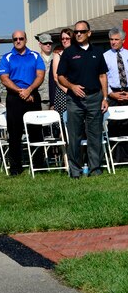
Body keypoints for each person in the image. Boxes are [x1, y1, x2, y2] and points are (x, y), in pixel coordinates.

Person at [57, 20, 108, 178]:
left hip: (94, 97)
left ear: (89, 33)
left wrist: (105, 97)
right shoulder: (69, 52)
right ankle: (75, 171)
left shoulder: (98, 52)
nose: (78, 34)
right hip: (75, 100)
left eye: (82, 31)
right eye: (76, 32)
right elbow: (60, 77)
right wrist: (72, 86)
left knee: (95, 135)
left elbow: (102, 76)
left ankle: (95, 169)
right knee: (74, 135)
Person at [0, 30, 45, 175]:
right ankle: (15, 168)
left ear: (26, 39)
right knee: (14, 134)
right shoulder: (7, 57)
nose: (18, 41)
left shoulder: (35, 56)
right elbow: (4, 78)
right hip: (14, 97)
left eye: (21, 38)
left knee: (36, 132)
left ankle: (39, 166)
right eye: (15, 39)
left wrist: (29, 90)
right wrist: (21, 92)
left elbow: (40, 75)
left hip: (32, 95)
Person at [103, 27, 128, 160]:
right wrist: (111, 94)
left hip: (127, 92)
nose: (113, 42)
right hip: (113, 93)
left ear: (123, 40)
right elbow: (103, 78)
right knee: (114, 126)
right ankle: (117, 158)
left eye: (116, 39)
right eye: (111, 39)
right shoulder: (105, 56)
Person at [52, 28, 74, 120]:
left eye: (67, 38)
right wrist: (68, 90)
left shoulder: (79, 53)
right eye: (62, 39)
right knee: (64, 122)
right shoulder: (58, 55)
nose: (64, 40)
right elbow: (56, 77)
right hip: (63, 92)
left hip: (79, 91)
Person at [35, 33, 53, 109]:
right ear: (40, 44)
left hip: (54, 97)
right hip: (41, 97)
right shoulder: (35, 59)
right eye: (45, 43)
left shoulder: (56, 58)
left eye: (50, 43)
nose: (48, 45)